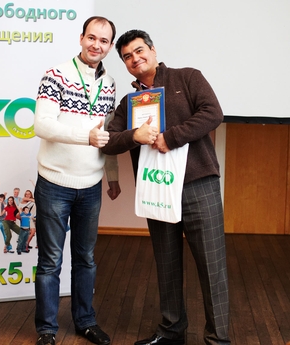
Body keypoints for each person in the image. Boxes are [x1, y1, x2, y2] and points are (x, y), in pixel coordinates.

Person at [102, 30, 230, 345]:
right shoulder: (129, 103)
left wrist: (169, 138)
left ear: (153, 50)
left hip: (198, 185)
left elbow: (213, 113)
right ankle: (172, 330)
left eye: (139, 51)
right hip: (157, 189)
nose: (135, 59)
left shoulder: (187, 78)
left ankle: (218, 339)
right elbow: (110, 142)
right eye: (127, 57)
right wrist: (134, 135)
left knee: (212, 266)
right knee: (167, 263)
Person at [33, 16, 121, 345]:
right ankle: (46, 330)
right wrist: (86, 136)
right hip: (54, 183)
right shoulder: (55, 75)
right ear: (81, 38)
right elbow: (42, 125)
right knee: (50, 262)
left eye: (104, 41)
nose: (96, 45)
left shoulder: (110, 83)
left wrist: (112, 176)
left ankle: (85, 322)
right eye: (92, 37)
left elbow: (107, 134)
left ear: (110, 47)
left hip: (91, 186)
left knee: (86, 259)